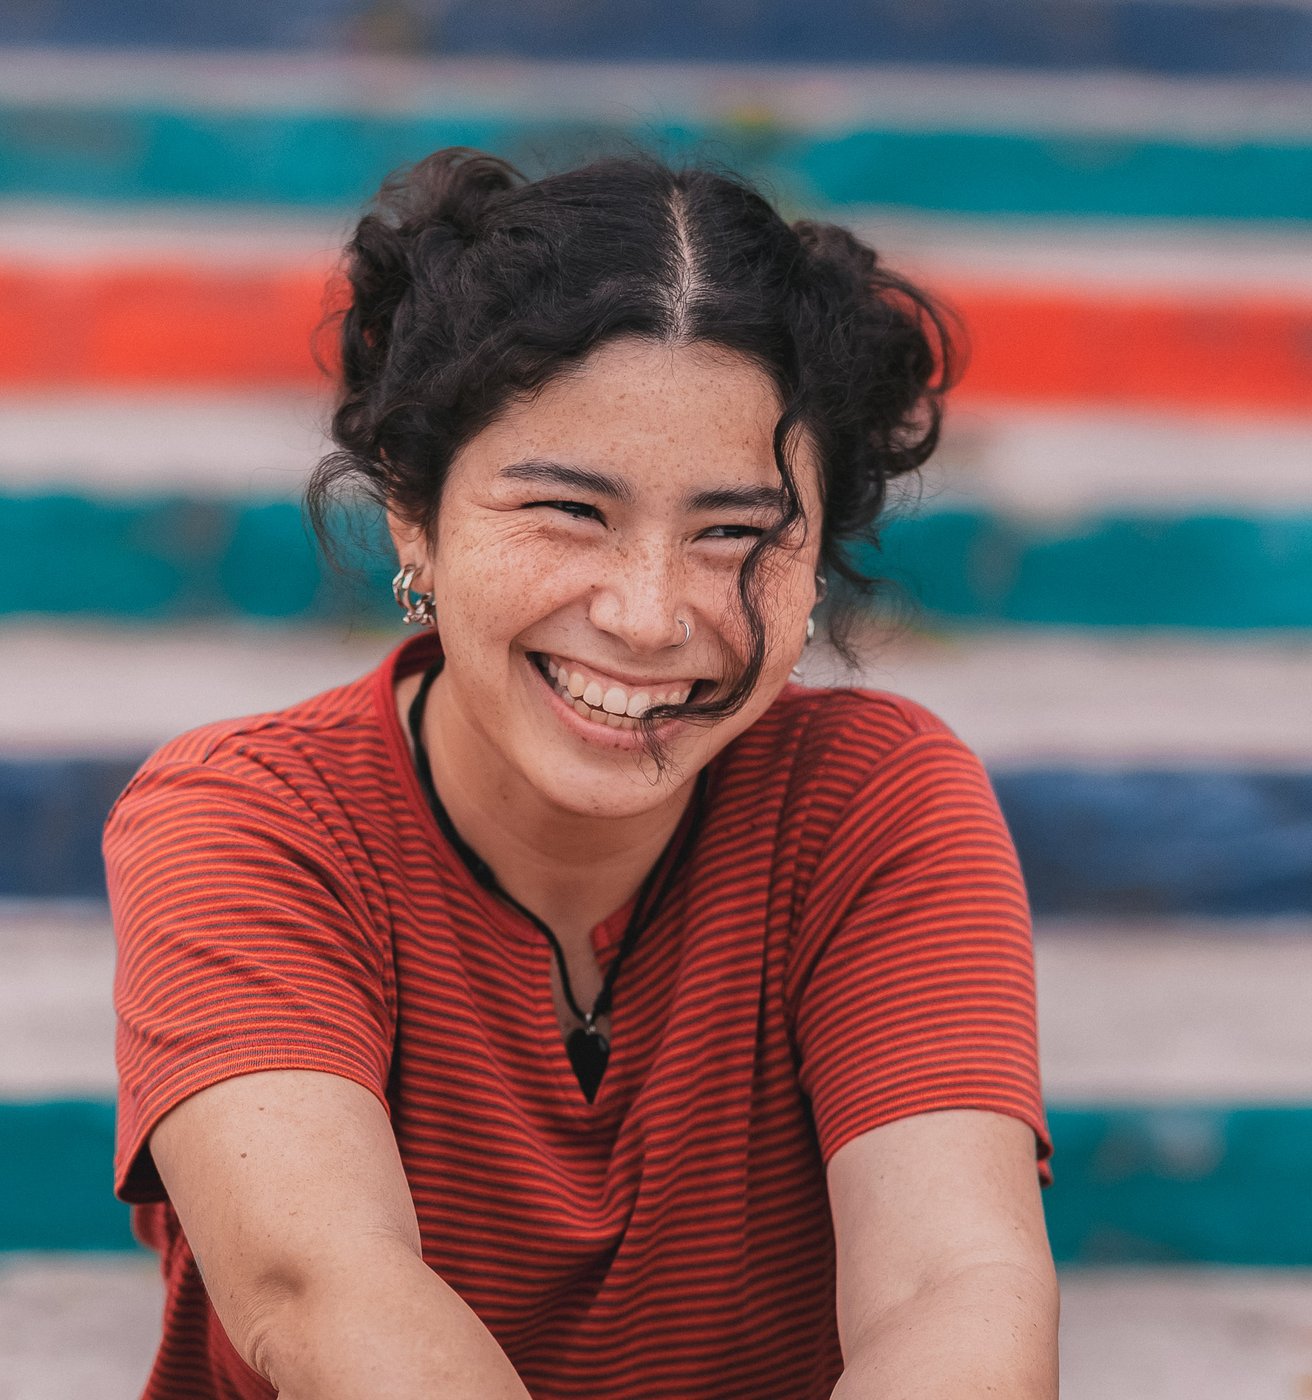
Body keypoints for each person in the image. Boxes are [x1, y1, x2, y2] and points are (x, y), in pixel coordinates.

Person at [105, 147, 1057, 1400]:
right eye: (567, 510)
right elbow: (323, 1292)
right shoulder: (251, 821)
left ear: (820, 549)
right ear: (411, 505)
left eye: (736, 533)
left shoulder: (872, 802)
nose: (651, 614)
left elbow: (957, 1290)